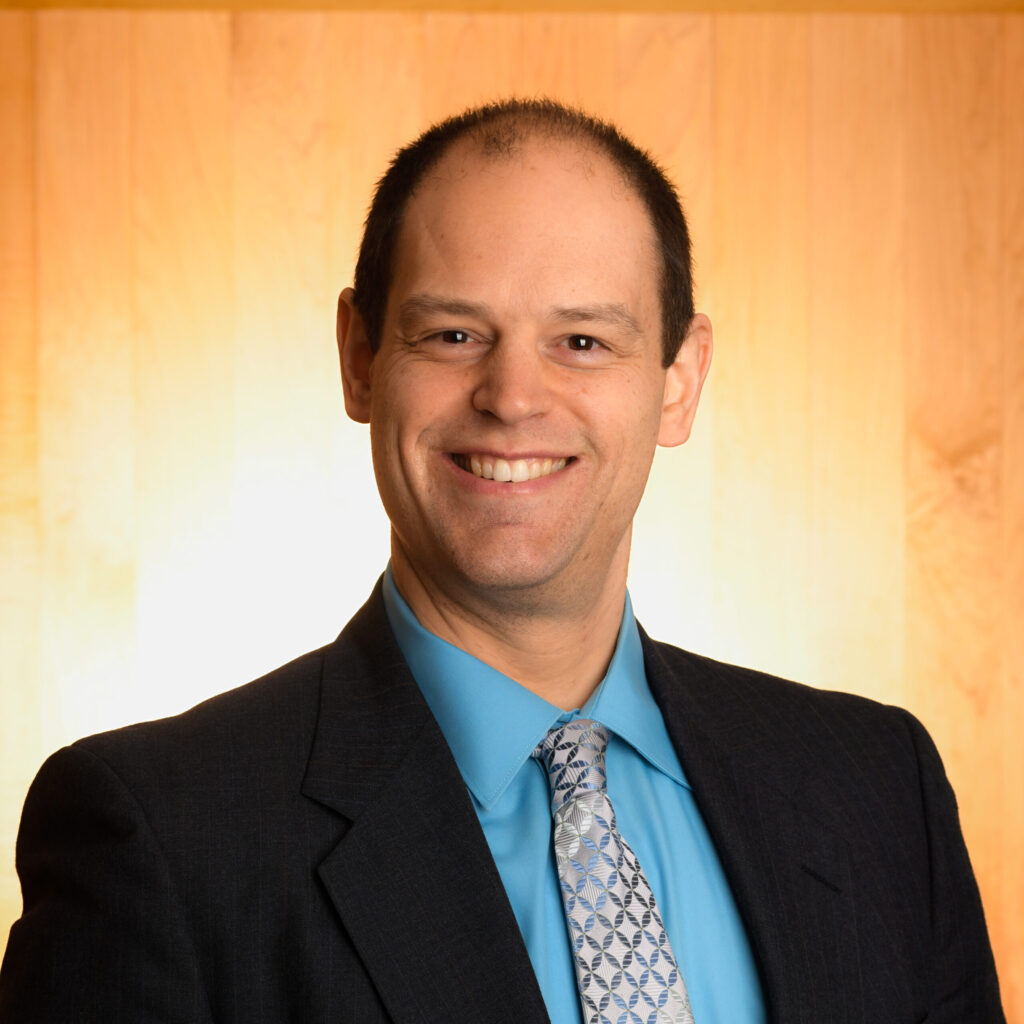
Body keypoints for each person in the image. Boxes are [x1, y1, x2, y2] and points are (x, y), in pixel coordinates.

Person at [0, 99, 1004, 1024]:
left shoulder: (878, 790)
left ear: (678, 380)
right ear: (358, 356)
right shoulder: (161, 836)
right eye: (452, 333)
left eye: (580, 340)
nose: (513, 396)